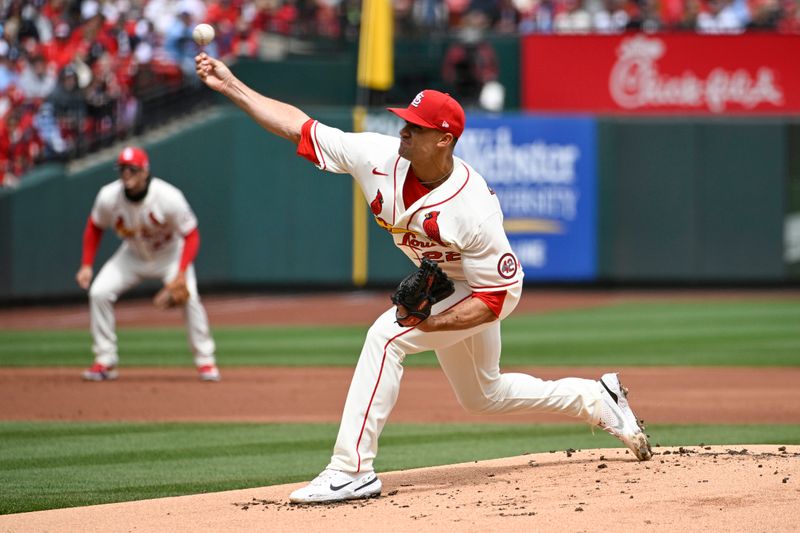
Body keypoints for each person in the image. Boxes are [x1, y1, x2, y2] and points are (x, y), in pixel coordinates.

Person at [194, 52, 652, 504]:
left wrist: (429, 324)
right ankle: (598, 398)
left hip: (486, 289)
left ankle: (351, 470)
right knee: (483, 395)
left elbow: (496, 298)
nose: (403, 130)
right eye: (404, 120)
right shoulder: (375, 156)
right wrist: (232, 85)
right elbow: (299, 126)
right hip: (445, 283)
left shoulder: (473, 207)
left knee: (386, 337)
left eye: (416, 126)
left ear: (444, 140)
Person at [75, 146, 221, 382]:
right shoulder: (108, 196)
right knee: (99, 292)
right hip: (132, 255)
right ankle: (105, 361)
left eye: (132, 169)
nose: (126, 174)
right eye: (122, 168)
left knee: (190, 298)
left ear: (145, 171)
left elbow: (191, 235)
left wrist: (181, 272)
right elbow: (95, 226)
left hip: (170, 255)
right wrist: (86, 264)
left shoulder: (168, 196)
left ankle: (206, 362)